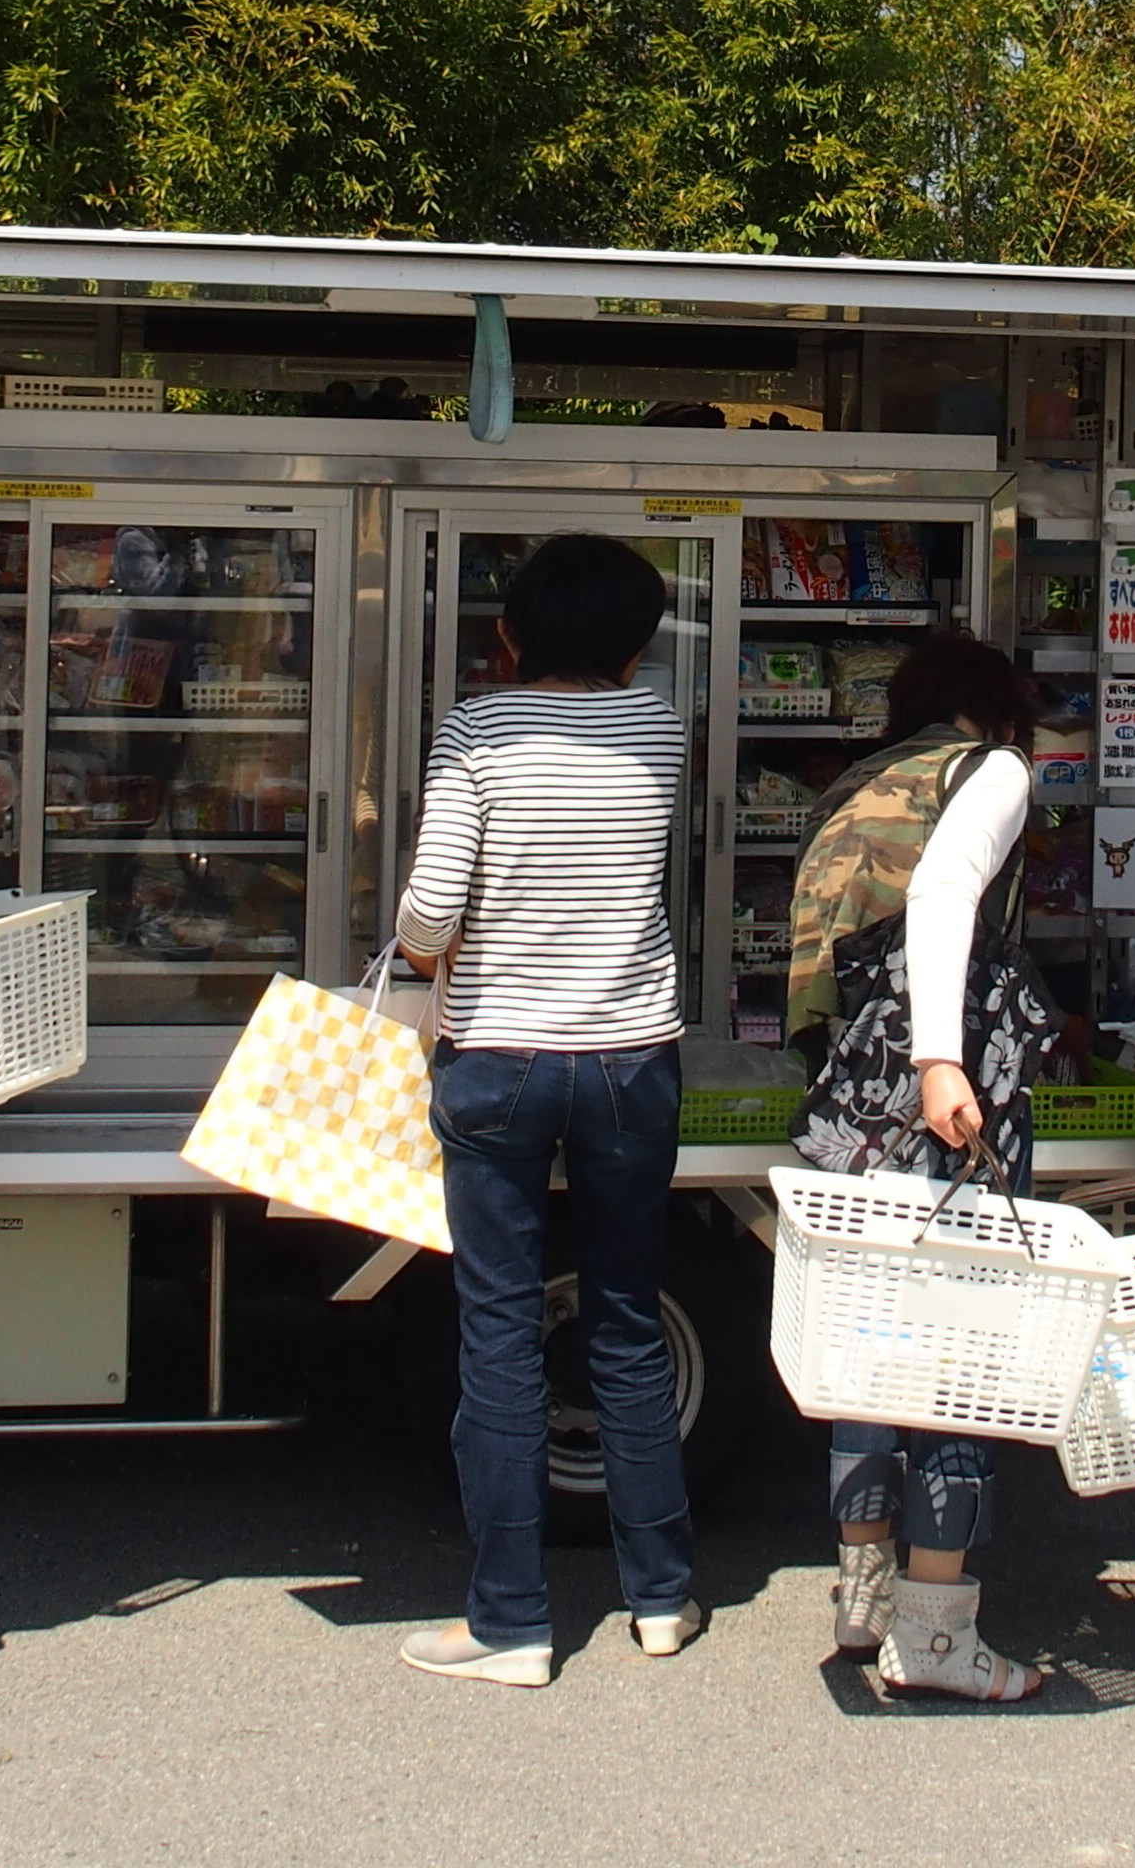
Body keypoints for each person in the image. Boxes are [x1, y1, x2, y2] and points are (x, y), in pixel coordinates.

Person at [392, 532, 700, 1686]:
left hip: (501, 1061)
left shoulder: (480, 728)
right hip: (630, 1059)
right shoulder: (659, 724)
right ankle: (661, 1596)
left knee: (500, 1333)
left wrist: (436, 955)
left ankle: (511, 1622)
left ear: (510, 633)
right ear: (636, 639)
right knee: (624, 1318)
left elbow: (428, 911)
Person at [784, 629, 1053, 1703]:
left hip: (845, 1103)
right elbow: (944, 899)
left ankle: (863, 1591)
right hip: (944, 1101)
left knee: (866, 1346)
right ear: (997, 709)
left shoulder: (853, 783)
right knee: (957, 1357)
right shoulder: (986, 772)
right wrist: (943, 1063)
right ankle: (936, 1629)